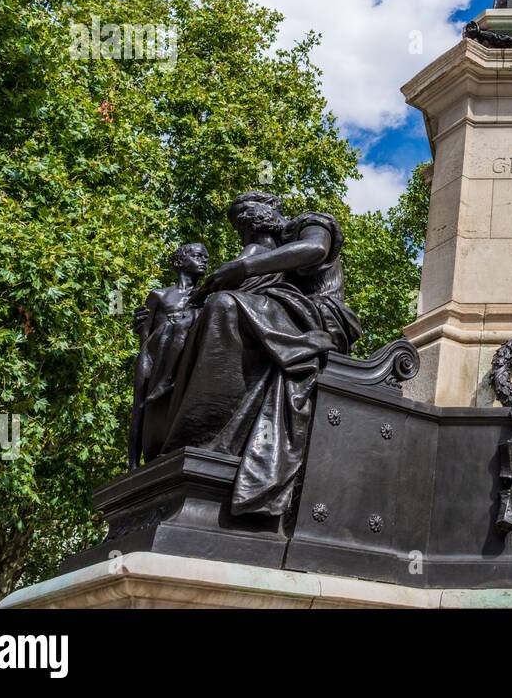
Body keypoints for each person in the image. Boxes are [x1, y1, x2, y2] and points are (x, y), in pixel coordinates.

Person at [154, 192, 361, 516]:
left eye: (249, 216)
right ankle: (192, 439)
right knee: (197, 319)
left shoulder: (310, 223)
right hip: (279, 310)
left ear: (272, 208)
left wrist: (242, 267)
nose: (246, 228)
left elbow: (314, 249)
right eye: (241, 226)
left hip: (319, 315)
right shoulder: (266, 258)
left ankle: (205, 433)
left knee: (225, 307)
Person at [130, 242, 208, 470]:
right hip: (154, 355)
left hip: (183, 357)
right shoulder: (159, 295)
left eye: (206, 257)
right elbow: (145, 335)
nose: (204, 260)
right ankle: (133, 466)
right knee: (139, 408)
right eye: (197, 255)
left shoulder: (206, 296)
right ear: (179, 262)